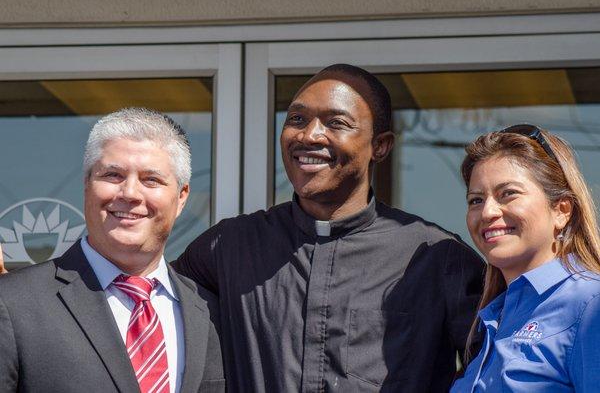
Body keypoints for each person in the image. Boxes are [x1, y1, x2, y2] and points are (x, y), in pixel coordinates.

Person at [174, 64, 484, 392]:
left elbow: (493, 370)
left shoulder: (437, 259)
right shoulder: (228, 247)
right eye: (297, 119)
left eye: (336, 122)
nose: (309, 135)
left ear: (380, 146)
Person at [0, 108, 225, 393]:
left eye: (151, 180)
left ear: (181, 198)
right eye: (113, 175)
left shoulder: (211, 311)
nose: (130, 193)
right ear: (86, 185)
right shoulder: (12, 302)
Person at [451, 124, 600, 392]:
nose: (487, 212)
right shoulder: (494, 316)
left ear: (561, 210)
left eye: (508, 193)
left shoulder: (590, 304)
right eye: (475, 200)